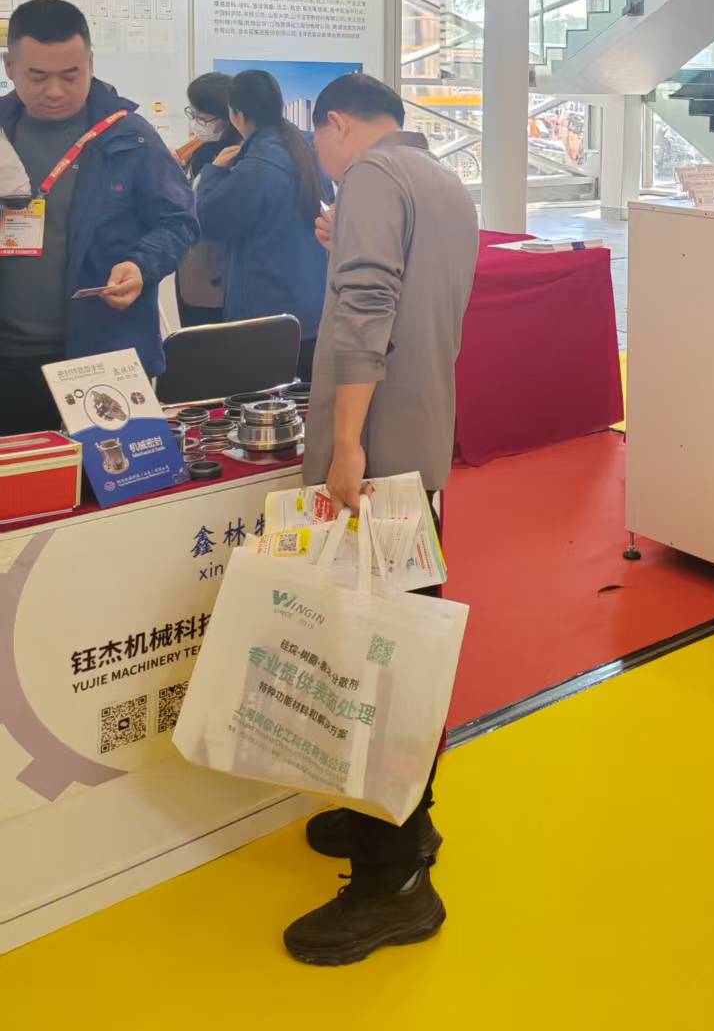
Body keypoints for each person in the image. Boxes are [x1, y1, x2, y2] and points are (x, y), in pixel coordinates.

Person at [282, 71, 478, 966]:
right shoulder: (438, 179)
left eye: (320, 145)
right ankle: (397, 820)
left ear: (336, 127)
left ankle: (396, 883)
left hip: (379, 460)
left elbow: (366, 307)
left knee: (381, 658)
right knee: (397, 641)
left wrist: (346, 444)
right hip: (420, 448)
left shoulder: (368, 176)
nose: (324, 162)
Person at [0, 0, 198, 436]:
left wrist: (142, 265)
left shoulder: (129, 137)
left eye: (71, 75)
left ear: (90, 63)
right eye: (38, 76)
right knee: (19, 478)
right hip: (9, 362)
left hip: (101, 355)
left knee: (110, 475)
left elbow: (180, 221)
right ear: (10, 66)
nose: (55, 91)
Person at [193, 70, 329, 380]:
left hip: (266, 313)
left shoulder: (257, 166)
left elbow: (209, 220)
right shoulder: (306, 147)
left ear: (236, 115)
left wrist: (213, 172)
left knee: (260, 402)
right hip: (309, 305)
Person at [174, 72, 241, 327]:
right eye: (193, 113)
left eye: (202, 117)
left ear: (228, 117)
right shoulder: (199, 147)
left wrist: (212, 173)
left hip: (217, 279)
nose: (197, 123)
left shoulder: (238, 155)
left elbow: (209, 211)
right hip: (191, 268)